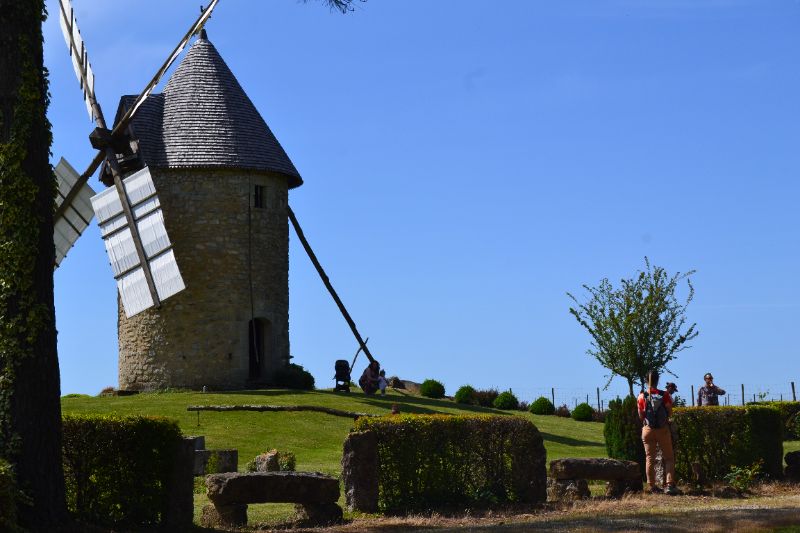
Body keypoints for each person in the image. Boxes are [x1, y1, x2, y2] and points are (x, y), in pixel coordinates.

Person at [638, 370, 678, 495]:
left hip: (648, 429)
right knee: (669, 458)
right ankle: (670, 485)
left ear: (646, 380)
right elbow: (670, 411)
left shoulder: (641, 396)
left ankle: (651, 485)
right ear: (658, 380)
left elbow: (641, 415)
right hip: (662, 429)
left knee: (650, 458)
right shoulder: (664, 394)